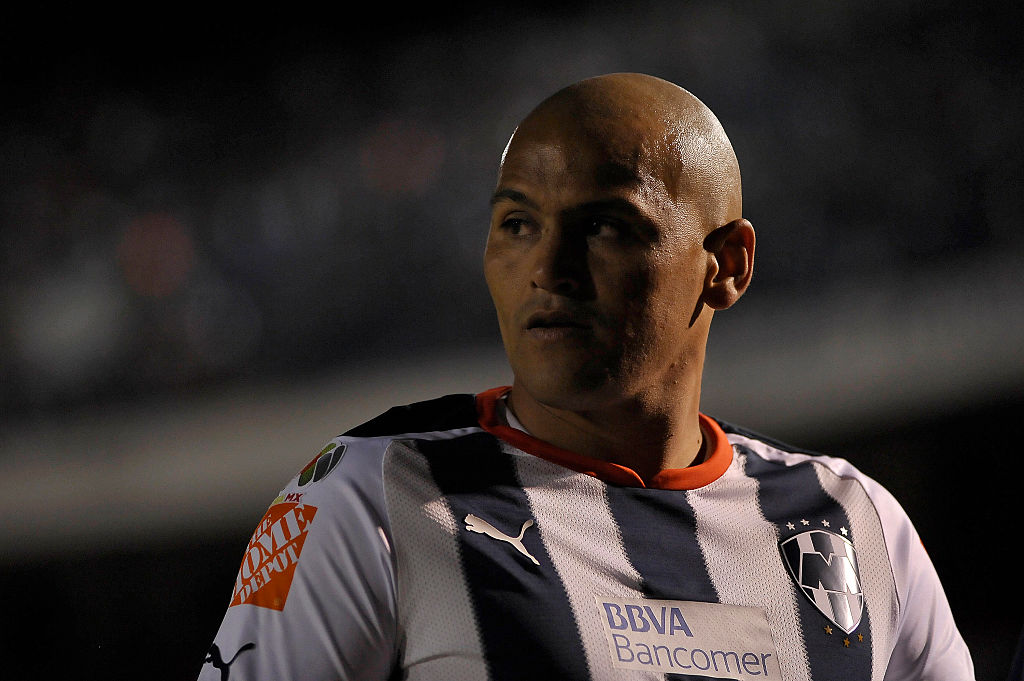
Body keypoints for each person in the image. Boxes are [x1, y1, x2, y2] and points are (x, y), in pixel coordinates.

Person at [196, 73, 975, 680]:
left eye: (604, 225)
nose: (548, 267)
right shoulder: (370, 495)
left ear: (727, 264)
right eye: (517, 224)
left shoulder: (857, 524)